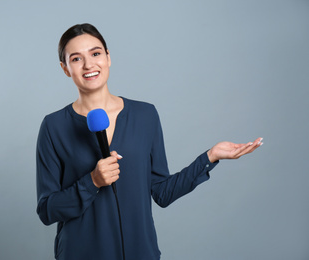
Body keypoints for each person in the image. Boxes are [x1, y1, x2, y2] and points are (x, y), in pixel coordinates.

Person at [36, 23, 262, 260]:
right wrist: (92, 181)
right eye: (76, 59)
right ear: (65, 68)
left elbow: (162, 192)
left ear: (108, 57)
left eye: (95, 53)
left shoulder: (145, 115)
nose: (89, 64)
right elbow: (47, 210)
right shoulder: (54, 127)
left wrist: (210, 157)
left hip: (140, 252)